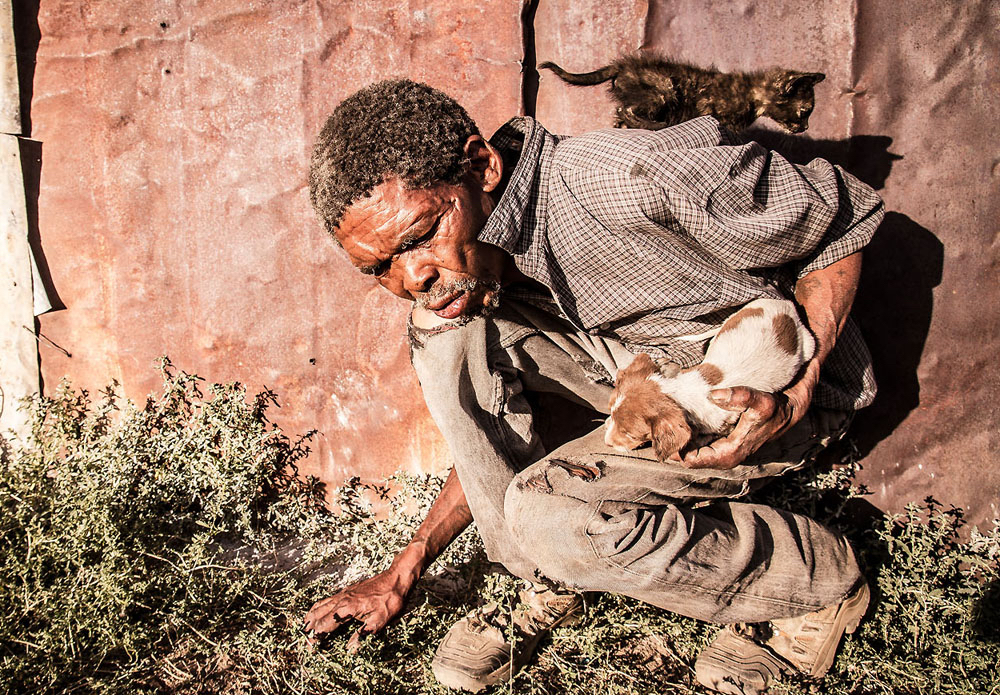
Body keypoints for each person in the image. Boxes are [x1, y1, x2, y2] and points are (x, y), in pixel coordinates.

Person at [302, 79, 882, 694]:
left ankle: (813, 582)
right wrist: (406, 566)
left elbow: (844, 211)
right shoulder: (475, 270)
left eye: (418, 238)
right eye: (379, 267)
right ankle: (548, 575)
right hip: (644, 390)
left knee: (543, 510)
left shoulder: (625, 179)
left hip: (757, 396)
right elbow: (482, 441)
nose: (411, 274)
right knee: (442, 334)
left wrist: (800, 383)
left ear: (481, 166)